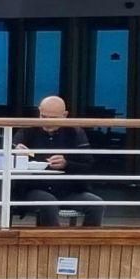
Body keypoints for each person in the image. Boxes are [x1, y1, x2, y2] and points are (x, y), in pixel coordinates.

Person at [18, 95, 108, 227]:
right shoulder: (28, 130)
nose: (47, 122)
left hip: (68, 190)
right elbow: (4, 156)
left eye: (53, 118)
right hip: (34, 188)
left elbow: (88, 164)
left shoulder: (75, 132)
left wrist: (67, 164)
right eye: (43, 117)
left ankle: (88, 239)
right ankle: (51, 240)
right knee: (48, 203)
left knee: (96, 204)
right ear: (39, 112)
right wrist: (17, 153)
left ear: (65, 115)